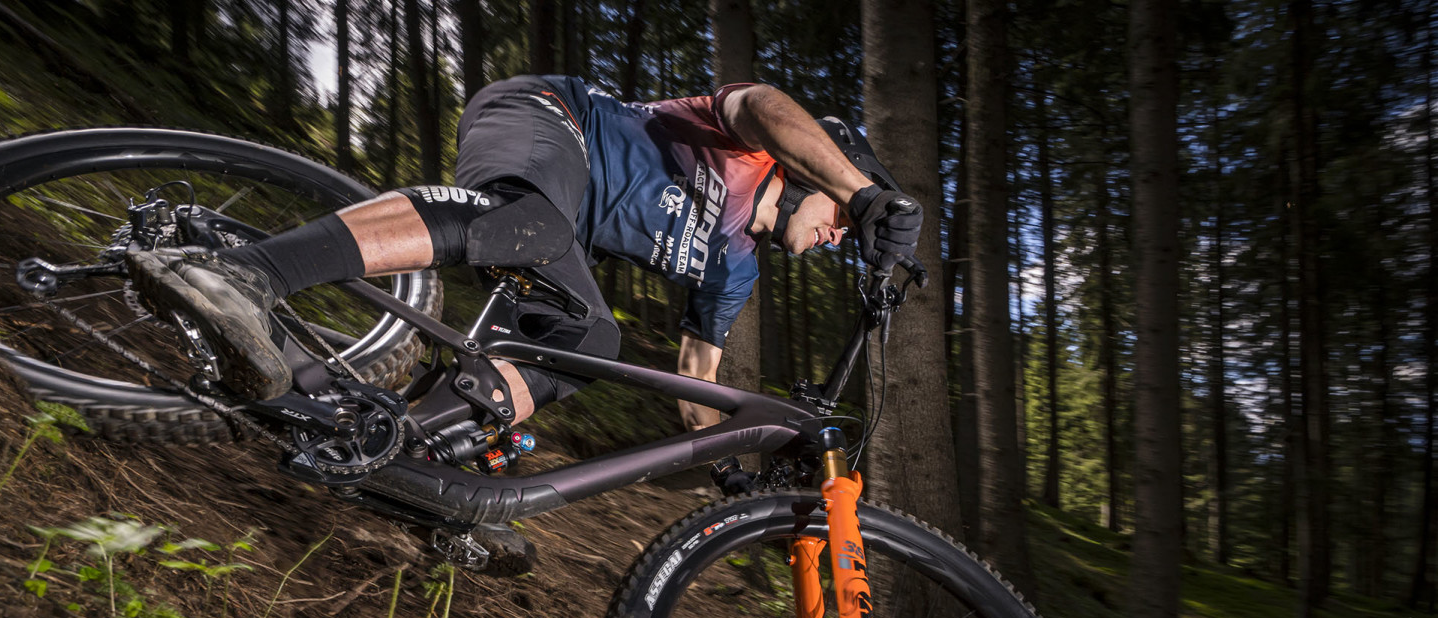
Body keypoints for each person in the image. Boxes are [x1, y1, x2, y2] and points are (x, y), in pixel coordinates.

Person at [126, 75, 923, 436]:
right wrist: (863, 195)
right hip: (545, 118)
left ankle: (402, 444)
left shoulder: (736, 266)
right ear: (820, 170)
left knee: (594, 341)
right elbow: (766, 104)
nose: (838, 237)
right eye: (839, 217)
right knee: (533, 224)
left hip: (550, 229)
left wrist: (727, 457)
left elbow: (697, 378)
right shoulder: (749, 142)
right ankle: (244, 274)